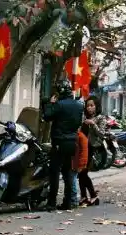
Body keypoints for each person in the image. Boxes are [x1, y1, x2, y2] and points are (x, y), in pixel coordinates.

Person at [43, 80, 83, 210]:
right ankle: (68, 202)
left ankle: (52, 202)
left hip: (60, 141)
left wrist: (50, 103)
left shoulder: (59, 105)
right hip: (73, 142)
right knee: (67, 173)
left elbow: (47, 116)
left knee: (54, 172)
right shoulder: (79, 105)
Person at [71, 126, 88, 207]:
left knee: (72, 180)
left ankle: (73, 200)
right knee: (72, 180)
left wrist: (81, 165)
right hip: (75, 162)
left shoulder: (80, 136)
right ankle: (73, 199)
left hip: (77, 163)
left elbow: (84, 153)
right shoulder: (78, 136)